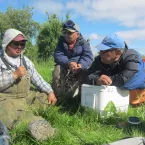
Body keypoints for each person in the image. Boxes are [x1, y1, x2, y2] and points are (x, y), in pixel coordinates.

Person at [0, 28, 57, 141]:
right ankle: (34, 125)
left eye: (22, 44)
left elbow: (38, 79)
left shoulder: (26, 61)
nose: (19, 47)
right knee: (9, 114)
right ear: (7, 44)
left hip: (26, 96)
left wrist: (50, 91)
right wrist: (14, 76)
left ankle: (37, 120)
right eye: (16, 44)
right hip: (6, 99)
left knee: (46, 98)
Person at [52, 20, 93, 102]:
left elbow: (88, 56)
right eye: (65, 32)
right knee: (57, 70)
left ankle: (81, 100)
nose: (67, 35)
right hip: (65, 66)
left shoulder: (84, 43)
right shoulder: (61, 42)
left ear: (77, 34)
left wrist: (80, 65)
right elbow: (58, 55)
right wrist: (69, 63)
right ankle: (58, 98)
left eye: (70, 33)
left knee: (86, 74)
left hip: (79, 67)